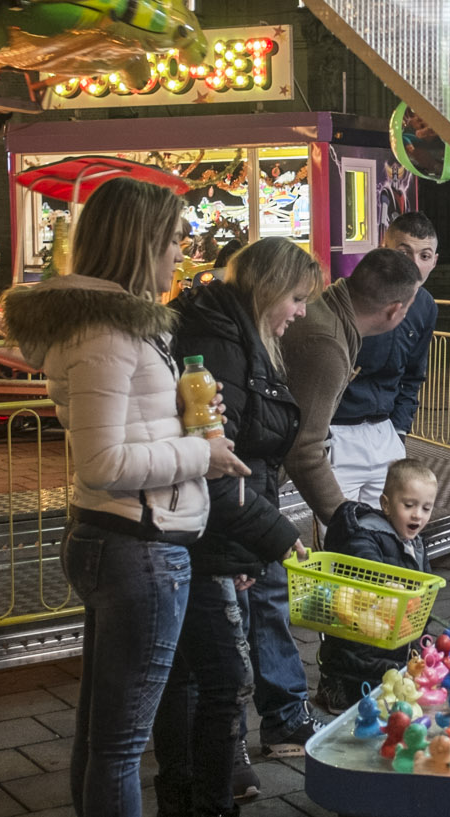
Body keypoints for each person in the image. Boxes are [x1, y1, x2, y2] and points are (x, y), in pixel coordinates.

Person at [0, 178, 249, 817]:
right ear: (138, 246)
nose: (179, 254)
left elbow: (128, 428)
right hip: (138, 545)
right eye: (171, 241)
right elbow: (106, 460)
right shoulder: (107, 334)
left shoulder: (116, 328)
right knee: (121, 744)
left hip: (127, 539)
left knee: (104, 734)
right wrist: (204, 454)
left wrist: (189, 413)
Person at [159, 237, 320, 815]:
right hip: (201, 533)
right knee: (217, 679)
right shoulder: (216, 342)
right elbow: (219, 461)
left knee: (209, 678)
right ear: (269, 289)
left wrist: (247, 548)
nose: (300, 313)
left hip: (223, 532)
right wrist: (270, 537)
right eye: (297, 299)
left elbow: (247, 458)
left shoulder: (237, 337)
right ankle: (204, 794)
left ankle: (206, 785)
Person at [265, 247, 423, 753]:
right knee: (266, 600)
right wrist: (349, 522)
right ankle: (285, 719)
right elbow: (304, 448)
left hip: (248, 483)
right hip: (246, 485)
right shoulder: (328, 344)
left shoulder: (332, 324)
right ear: (396, 311)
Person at [329, 213, 440, 508]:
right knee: (342, 536)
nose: (414, 264)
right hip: (339, 430)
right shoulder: (353, 295)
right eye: (404, 252)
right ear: (383, 249)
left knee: (386, 531)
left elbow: (414, 374)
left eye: (424, 255)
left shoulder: (426, 306)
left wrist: (400, 429)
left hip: (386, 430)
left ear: (434, 261)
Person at [315, 459, 439, 711]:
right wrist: (385, 582)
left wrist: (422, 638)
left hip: (393, 644)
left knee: (388, 705)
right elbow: (362, 563)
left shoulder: (415, 543)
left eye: (426, 508)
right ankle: (333, 689)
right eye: (409, 505)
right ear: (386, 505)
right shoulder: (365, 534)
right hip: (359, 646)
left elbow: (422, 595)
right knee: (356, 707)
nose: (418, 514)